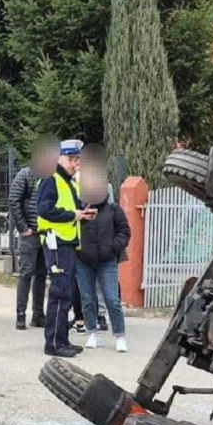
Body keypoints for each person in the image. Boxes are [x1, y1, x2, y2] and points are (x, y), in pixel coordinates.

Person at [35, 139, 90, 357]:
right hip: (55, 241)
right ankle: (53, 344)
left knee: (66, 293)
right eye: (70, 159)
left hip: (67, 242)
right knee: (59, 292)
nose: (75, 163)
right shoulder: (51, 180)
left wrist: (84, 215)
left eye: (77, 159)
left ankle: (63, 339)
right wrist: (73, 215)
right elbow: (44, 210)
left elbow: (73, 209)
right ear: (58, 158)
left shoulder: (69, 183)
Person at [74, 146, 131, 352]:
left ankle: (120, 336)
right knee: (87, 299)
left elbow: (124, 232)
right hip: (83, 259)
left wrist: (112, 248)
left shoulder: (114, 209)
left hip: (107, 260)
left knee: (111, 299)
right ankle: (92, 333)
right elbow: (71, 230)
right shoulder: (79, 210)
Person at [9, 137, 58, 329]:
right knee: (26, 273)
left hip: (46, 233)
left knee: (41, 274)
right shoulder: (25, 174)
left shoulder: (53, 178)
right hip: (30, 234)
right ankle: (21, 314)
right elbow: (14, 200)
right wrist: (23, 228)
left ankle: (38, 315)